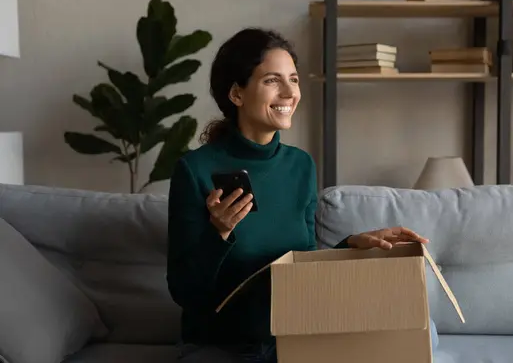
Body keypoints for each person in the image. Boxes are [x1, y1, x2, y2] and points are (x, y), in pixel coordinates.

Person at [167, 27, 437, 363]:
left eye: (293, 79)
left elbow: (302, 268)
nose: (289, 92)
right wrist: (218, 234)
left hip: (288, 335)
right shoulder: (195, 170)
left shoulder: (300, 166)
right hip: (224, 344)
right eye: (271, 80)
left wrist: (351, 245)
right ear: (236, 94)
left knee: (423, 332)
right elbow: (185, 292)